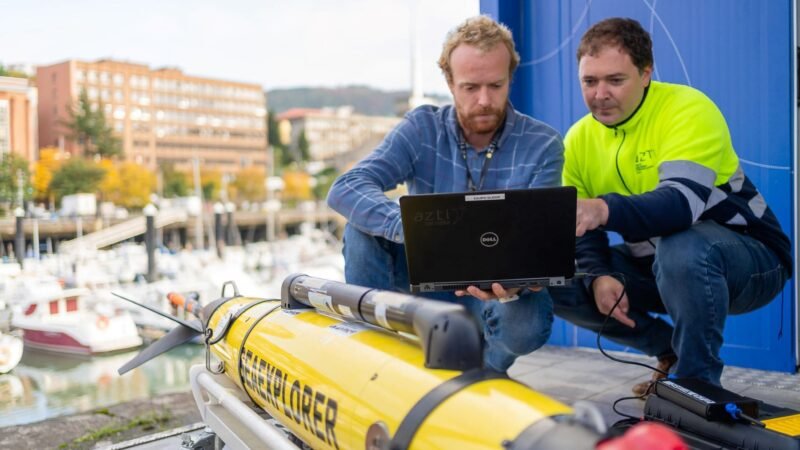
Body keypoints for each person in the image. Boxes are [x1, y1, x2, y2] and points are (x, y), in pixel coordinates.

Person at [550, 17, 792, 392]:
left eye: (615, 80)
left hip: (750, 263)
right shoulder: (578, 139)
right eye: (589, 81)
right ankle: (672, 354)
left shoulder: (688, 110)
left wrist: (602, 207)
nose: (600, 94)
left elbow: (679, 206)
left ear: (646, 73)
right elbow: (582, 230)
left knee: (681, 244)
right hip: (658, 269)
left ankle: (694, 385)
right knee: (557, 277)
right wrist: (599, 274)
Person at [326, 15, 564, 373]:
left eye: (496, 85)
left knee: (527, 323)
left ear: (510, 78)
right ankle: (378, 363)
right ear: (450, 83)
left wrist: (514, 286)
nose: (485, 100)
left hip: (501, 290)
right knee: (361, 230)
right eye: (470, 87)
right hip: (427, 281)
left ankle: (486, 371)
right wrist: (408, 228)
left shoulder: (543, 143)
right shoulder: (421, 128)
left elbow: (538, 244)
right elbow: (346, 187)